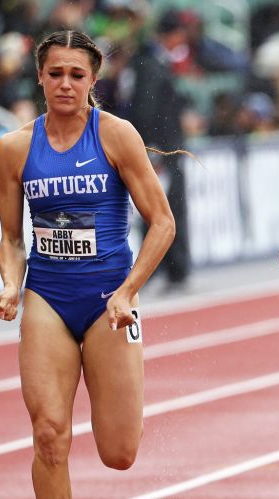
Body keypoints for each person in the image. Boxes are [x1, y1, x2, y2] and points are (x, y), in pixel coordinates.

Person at [0, 30, 175, 499]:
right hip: (47, 296)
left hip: (108, 300)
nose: (65, 84)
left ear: (93, 80)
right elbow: (11, 238)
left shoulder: (115, 135)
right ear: (40, 77)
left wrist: (128, 291)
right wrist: (10, 284)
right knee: (49, 433)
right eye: (55, 74)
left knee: (119, 452)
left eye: (76, 75)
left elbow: (163, 222)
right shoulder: (13, 148)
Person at [122, 9, 192, 290]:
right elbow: (146, 109)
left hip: (162, 146)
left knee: (161, 208)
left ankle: (168, 269)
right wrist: (152, 146)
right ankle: (172, 270)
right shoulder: (151, 64)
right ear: (172, 35)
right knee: (166, 208)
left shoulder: (150, 61)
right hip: (162, 149)